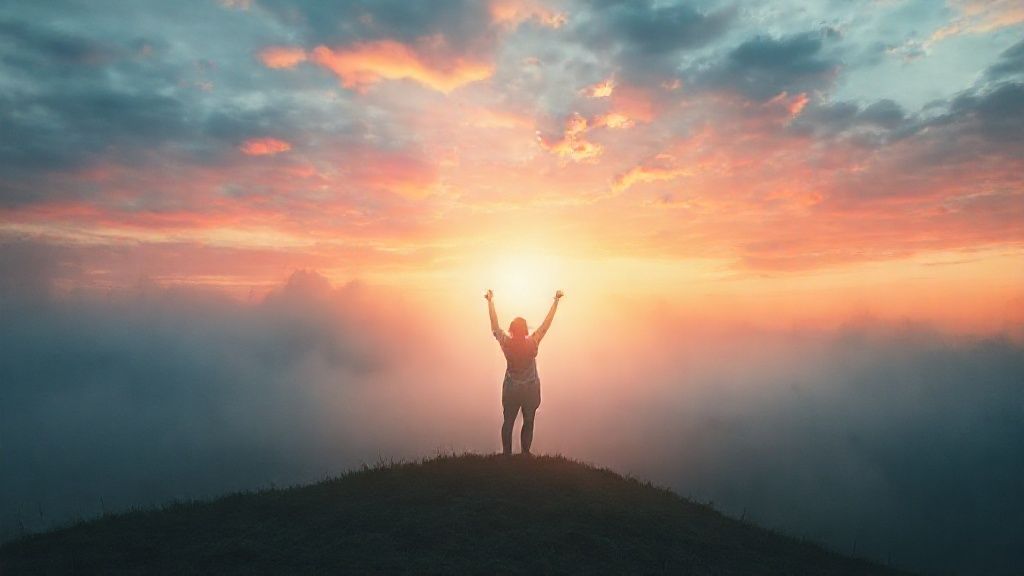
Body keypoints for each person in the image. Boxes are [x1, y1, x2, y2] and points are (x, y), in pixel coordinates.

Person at [485, 288, 563, 455]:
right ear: (525, 330)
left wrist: (490, 302)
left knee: (508, 422)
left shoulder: (506, 343)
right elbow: (546, 325)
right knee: (529, 421)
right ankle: (525, 453)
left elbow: (495, 326)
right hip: (530, 389)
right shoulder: (533, 342)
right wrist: (556, 301)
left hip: (511, 389)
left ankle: (507, 454)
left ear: (512, 330)